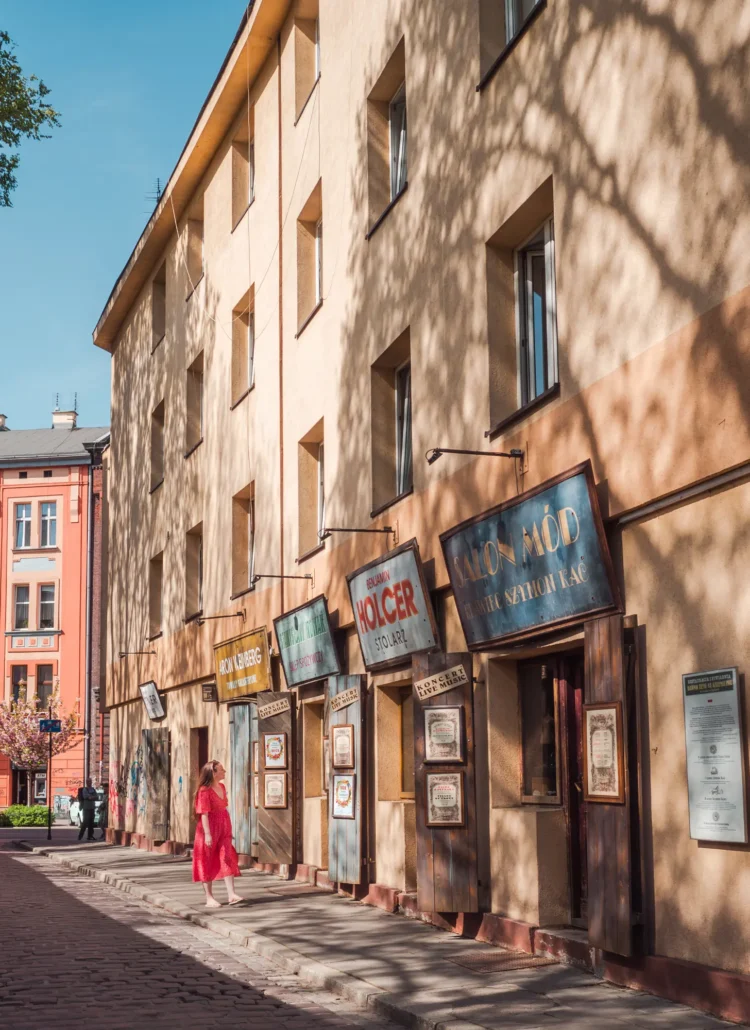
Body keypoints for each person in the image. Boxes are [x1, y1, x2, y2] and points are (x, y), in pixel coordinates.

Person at [192, 760, 242, 908]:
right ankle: (209, 898)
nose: (224, 772)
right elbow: (204, 814)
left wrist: (228, 828)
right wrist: (207, 834)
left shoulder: (221, 786)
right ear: (213, 773)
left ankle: (232, 894)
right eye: (221, 770)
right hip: (208, 829)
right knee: (205, 860)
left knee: (227, 856)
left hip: (224, 827)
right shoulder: (204, 791)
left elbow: (223, 808)